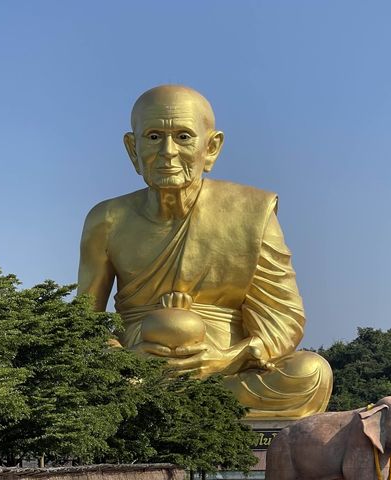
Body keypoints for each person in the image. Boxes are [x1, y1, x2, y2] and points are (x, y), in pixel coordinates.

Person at [77, 85, 332, 418]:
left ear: (211, 148)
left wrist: (226, 358)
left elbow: (284, 317)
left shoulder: (250, 212)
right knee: (81, 378)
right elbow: (84, 323)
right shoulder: (107, 219)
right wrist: (125, 359)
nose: (167, 151)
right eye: (153, 136)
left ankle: (169, 410)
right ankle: (182, 407)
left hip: (228, 367)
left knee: (311, 373)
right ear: (131, 148)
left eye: (183, 137)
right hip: (139, 372)